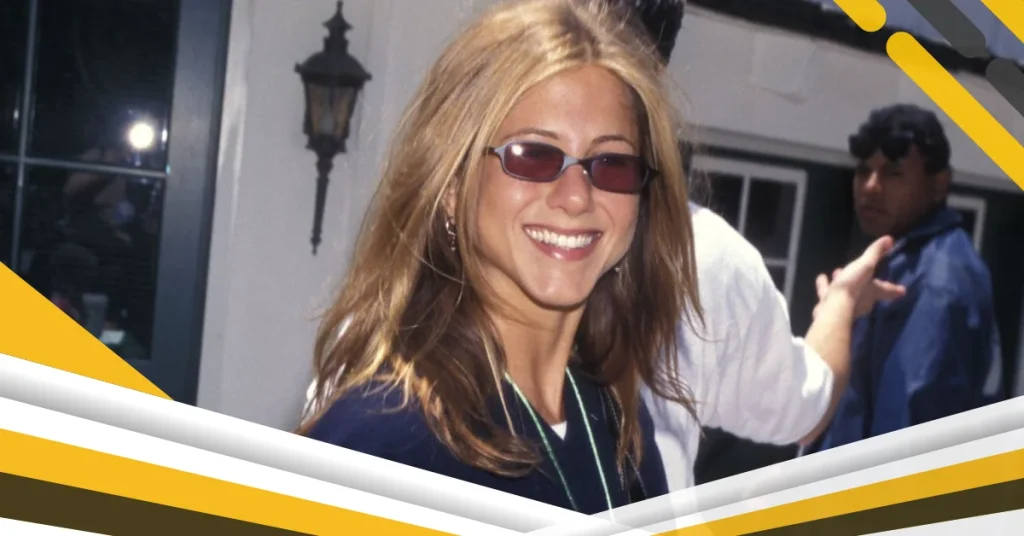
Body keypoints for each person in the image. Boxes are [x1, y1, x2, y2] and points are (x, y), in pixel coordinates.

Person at [299, 0, 705, 514]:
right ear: (452, 186)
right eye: (534, 155)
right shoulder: (383, 446)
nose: (576, 197)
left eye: (611, 164)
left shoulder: (620, 423)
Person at [605, 0, 907, 490]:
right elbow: (807, 405)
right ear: (657, 73)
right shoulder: (703, 254)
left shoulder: (486, 215)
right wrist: (843, 303)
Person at [805, 104, 1005, 453]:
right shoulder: (899, 256)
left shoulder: (939, 278)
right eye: (863, 171)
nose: (870, 186)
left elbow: (907, 435)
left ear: (939, 185)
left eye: (893, 174)